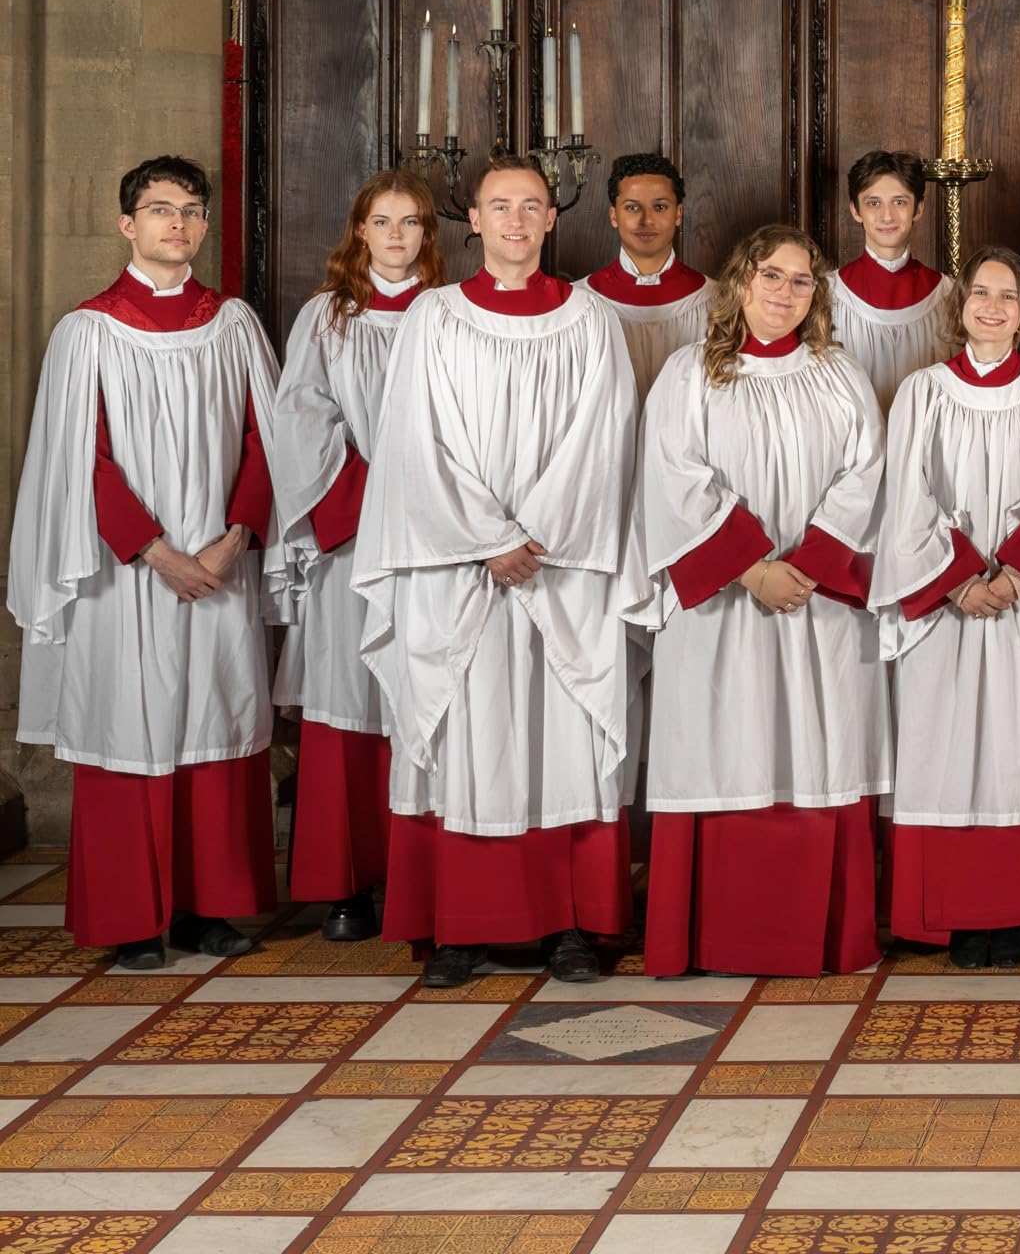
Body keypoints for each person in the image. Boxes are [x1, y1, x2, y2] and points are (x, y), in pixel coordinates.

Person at [355, 157, 639, 986]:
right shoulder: (434, 317)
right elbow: (415, 440)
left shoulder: (590, 319)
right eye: (499, 207)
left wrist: (533, 537)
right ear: (472, 221)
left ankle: (569, 925)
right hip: (459, 569)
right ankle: (460, 928)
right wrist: (487, 539)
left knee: (562, 738)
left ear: (552, 219)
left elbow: (605, 439)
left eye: (531, 206)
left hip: (560, 567)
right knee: (466, 735)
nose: (516, 221)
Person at [9, 156, 281, 969]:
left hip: (220, 563)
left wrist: (236, 538)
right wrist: (155, 551)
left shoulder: (232, 324)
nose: (178, 223)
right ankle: (131, 918)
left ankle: (209, 908)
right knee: (129, 725)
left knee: (216, 719)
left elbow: (267, 439)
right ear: (128, 224)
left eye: (192, 209)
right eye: (161, 209)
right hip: (125, 572)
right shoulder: (89, 331)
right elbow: (78, 461)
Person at [627, 226, 891, 977]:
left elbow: (867, 475)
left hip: (816, 605)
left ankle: (818, 935)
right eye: (771, 275)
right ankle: (718, 937)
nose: (784, 292)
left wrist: (805, 566)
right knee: (723, 742)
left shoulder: (839, 374)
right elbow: (672, 479)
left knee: (818, 746)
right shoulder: (689, 374)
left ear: (817, 296)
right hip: (723, 610)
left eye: (801, 281)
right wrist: (751, 571)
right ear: (741, 282)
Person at [871, 247, 1020, 966]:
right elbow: (906, 499)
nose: (992, 307)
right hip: (949, 610)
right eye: (980, 293)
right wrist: (961, 580)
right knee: (948, 749)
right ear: (960, 305)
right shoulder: (923, 391)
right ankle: (959, 915)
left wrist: (1018, 577)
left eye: (1007, 296)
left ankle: (1016, 915)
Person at [268, 167, 444, 944]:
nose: (396, 236)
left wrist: (432, 502)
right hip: (352, 541)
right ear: (359, 231)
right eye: (382, 222)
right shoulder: (328, 316)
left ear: (428, 234)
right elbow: (301, 421)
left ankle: (421, 874)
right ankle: (346, 887)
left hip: (437, 542)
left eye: (410, 222)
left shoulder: (451, 313)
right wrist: (376, 497)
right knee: (348, 702)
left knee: (425, 701)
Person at [582, 153, 710, 405]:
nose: (646, 220)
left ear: (678, 214)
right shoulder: (582, 302)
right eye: (632, 207)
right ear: (614, 215)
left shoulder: (715, 301)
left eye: (660, 207)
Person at [830, 150, 948, 412]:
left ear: (918, 209)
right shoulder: (828, 295)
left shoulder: (947, 295)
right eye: (873, 203)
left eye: (899, 202)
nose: (887, 216)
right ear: (855, 210)